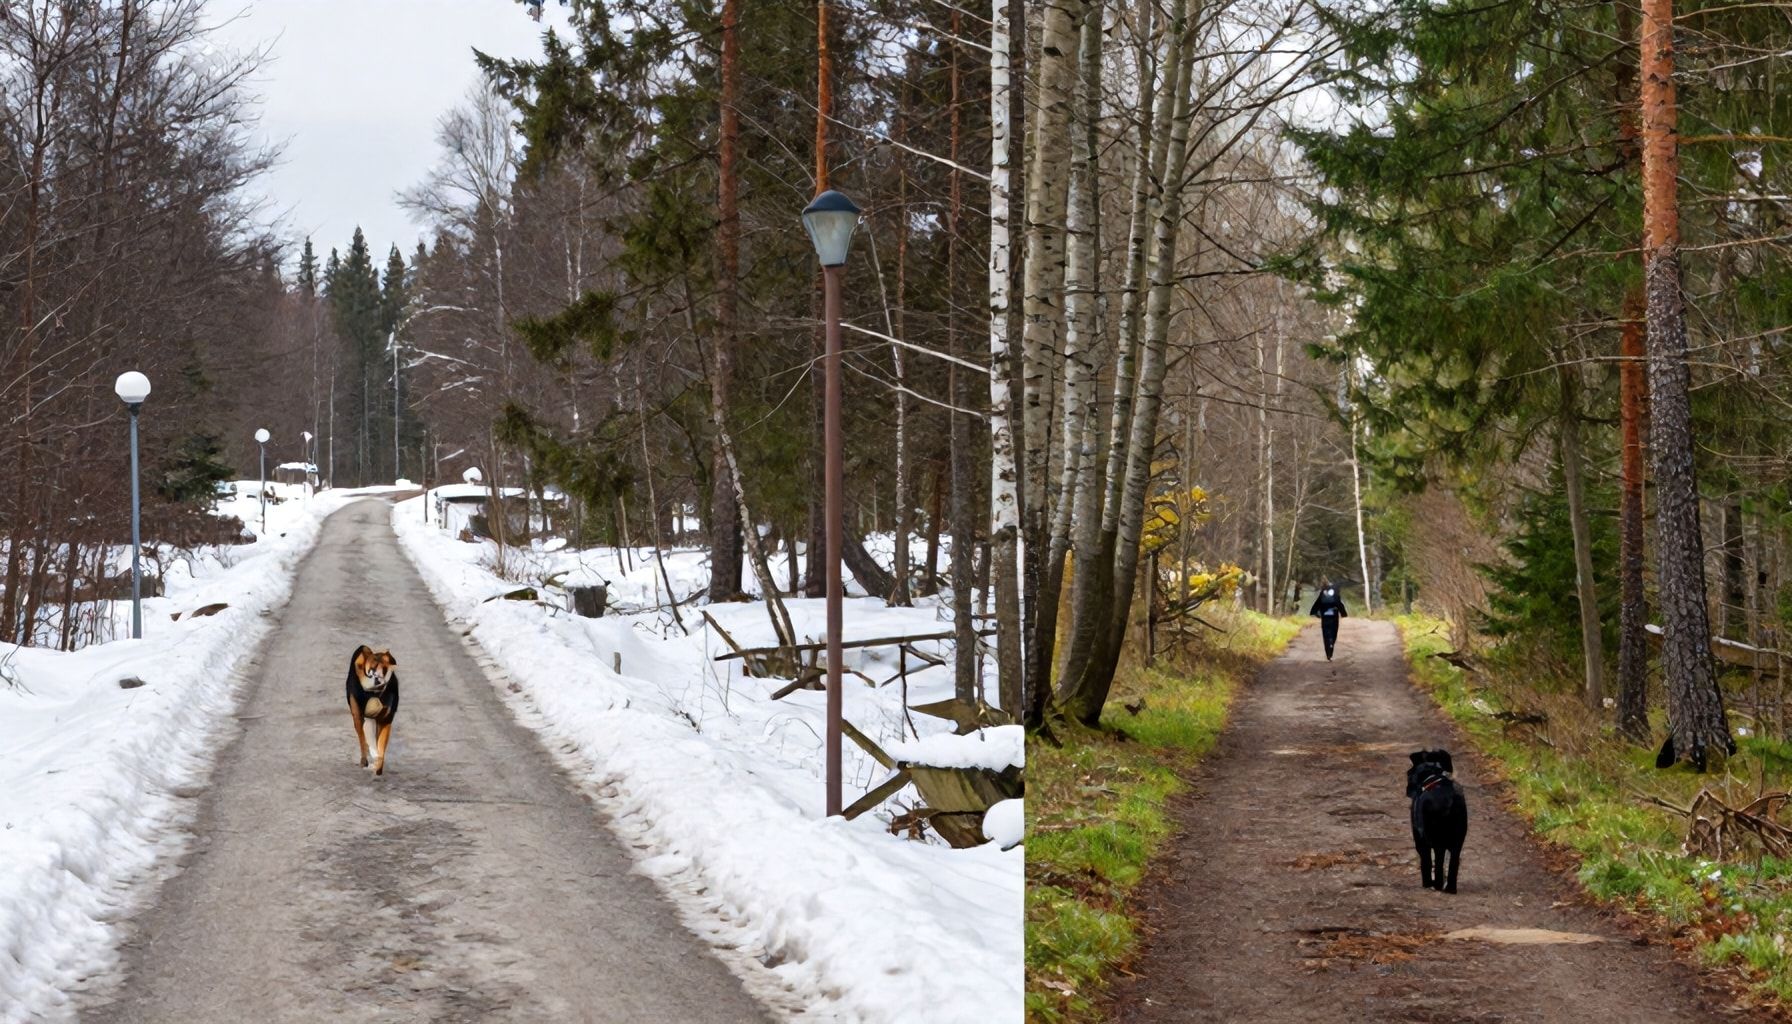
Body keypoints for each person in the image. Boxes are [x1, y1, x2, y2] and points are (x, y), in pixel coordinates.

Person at [1309, 581, 1349, 661]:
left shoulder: (1323, 593)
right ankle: (1331, 644)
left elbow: (1317, 603)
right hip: (1334, 616)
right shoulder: (1335, 593)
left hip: (1324, 616)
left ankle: (1328, 654)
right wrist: (1343, 613)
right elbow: (1339, 603)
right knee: (1334, 631)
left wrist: (1314, 612)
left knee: (1325, 633)